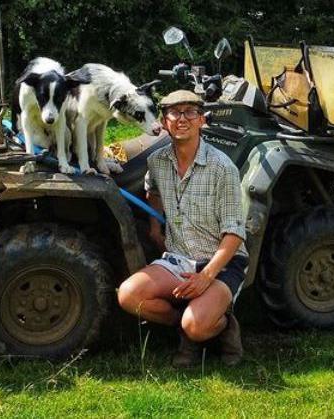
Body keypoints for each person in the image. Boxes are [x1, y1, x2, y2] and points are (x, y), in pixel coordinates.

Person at [117, 89, 248, 367]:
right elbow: (152, 190)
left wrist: (206, 277)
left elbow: (235, 232)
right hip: (178, 259)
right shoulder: (158, 161)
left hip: (221, 263)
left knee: (197, 325)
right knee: (129, 295)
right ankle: (183, 324)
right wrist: (155, 227)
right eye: (174, 113)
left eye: (190, 112)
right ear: (164, 122)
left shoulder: (222, 168)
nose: (182, 119)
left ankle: (220, 326)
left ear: (202, 120)